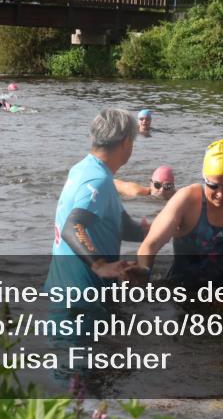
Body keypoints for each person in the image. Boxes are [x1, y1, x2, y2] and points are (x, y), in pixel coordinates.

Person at [44, 109, 148, 312]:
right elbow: (73, 227)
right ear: (127, 141)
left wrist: (152, 230)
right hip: (80, 301)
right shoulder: (97, 180)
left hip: (79, 295)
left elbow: (119, 225)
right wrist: (100, 266)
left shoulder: (84, 169)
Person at [136, 142, 223, 288]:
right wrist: (143, 279)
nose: (221, 194)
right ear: (204, 178)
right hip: (181, 293)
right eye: (213, 186)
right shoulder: (186, 200)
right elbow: (149, 246)